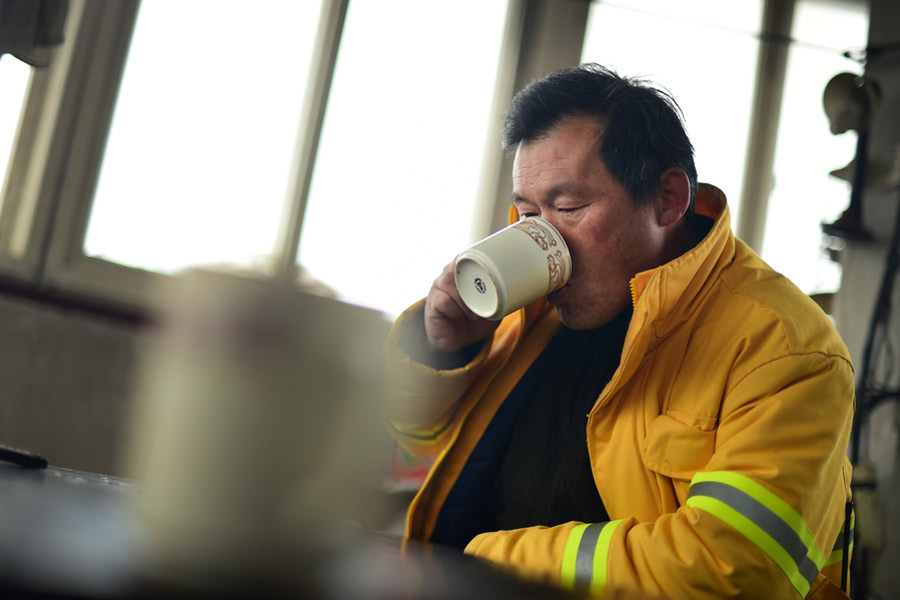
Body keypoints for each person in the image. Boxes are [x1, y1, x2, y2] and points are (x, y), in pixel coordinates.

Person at [383, 63, 854, 599]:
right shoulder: (531, 307)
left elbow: (735, 570)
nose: (541, 239)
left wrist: (490, 559)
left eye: (568, 207)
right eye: (527, 212)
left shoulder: (783, 346)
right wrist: (442, 351)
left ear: (667, 198)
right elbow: (417, 439)